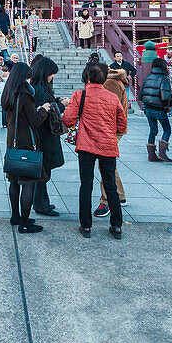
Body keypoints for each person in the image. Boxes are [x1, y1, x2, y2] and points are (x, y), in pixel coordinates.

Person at [63, 63, 127, 238]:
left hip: (86, 145)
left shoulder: (79, 95)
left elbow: (68, 120)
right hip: (107, 144)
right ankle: (117, 225)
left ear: (87, 77)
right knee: (110, 185)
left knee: (86, 184)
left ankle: (86, 226)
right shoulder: (112, 98)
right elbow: (122, 124)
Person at [1, 62, 51, 234]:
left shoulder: (8, 93)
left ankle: (15, 217)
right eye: (28, 77)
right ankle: (24, 223)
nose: (30, 80)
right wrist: (43, 110)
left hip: (12, 142)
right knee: (28, 183)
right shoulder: (25, 95)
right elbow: (35, 121)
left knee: (14, 181)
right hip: (26, 143)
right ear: (24, 77)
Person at [29, 57, 66, 217]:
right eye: (52, 74)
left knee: (44, 172)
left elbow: (49, 105)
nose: (53, 77)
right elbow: (44, 111)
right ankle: (40, 204)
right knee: (43, 173)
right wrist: (62, 105)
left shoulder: (41, 87)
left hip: (45, 136)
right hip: (43, 137)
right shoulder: (38, 89)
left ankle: (42, 202)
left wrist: (58, 101)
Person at [94, 66, 130, 217]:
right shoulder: (113, 81)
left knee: (106, 165)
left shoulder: (111, 84)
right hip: (113, 128)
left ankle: (107, 201)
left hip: (110, 129)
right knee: (108, 164)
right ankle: (119, 195)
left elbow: (109, 109)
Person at [138, 57, 172, 162]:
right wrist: (169, 103)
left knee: (153, 130)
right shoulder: (164, 78)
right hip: (159, 108)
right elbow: (165, 96)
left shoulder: (148, 77)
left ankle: (151, 155)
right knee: (167, 129)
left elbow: (141, 94)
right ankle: (162, 152)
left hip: (148, 107)